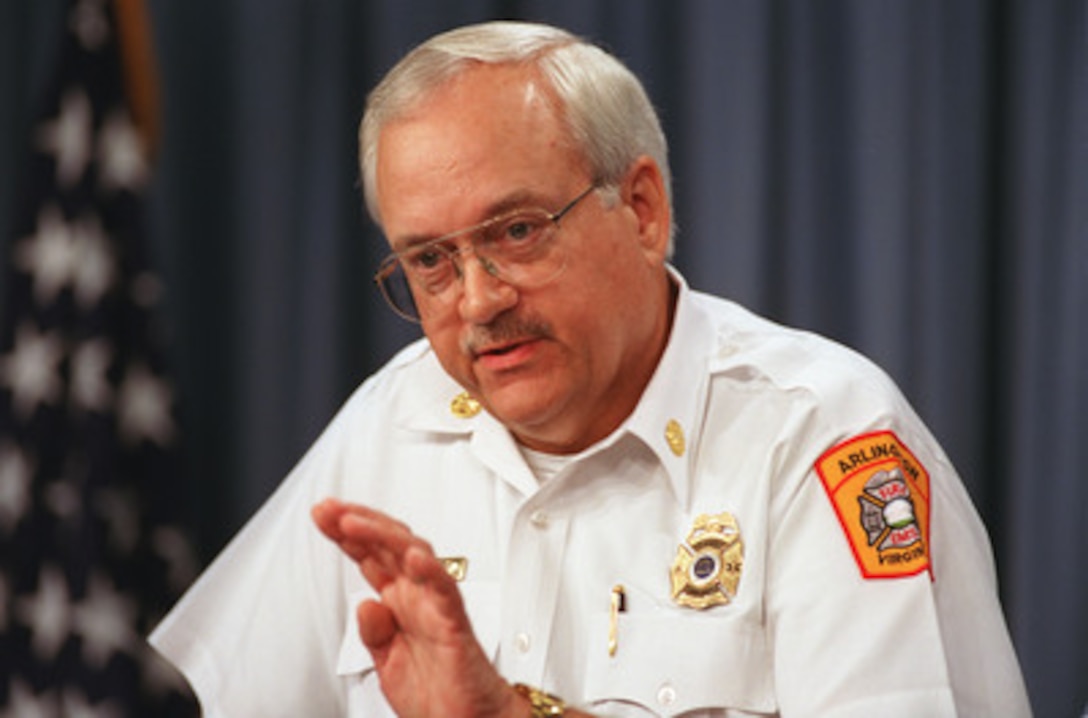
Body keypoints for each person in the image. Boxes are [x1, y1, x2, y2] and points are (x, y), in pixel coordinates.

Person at [150, 20, 1032, 717]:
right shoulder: (395, 422)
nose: (477, 299)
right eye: (429, 261)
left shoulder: (821, 437)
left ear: (643, 210)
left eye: (516, 232)